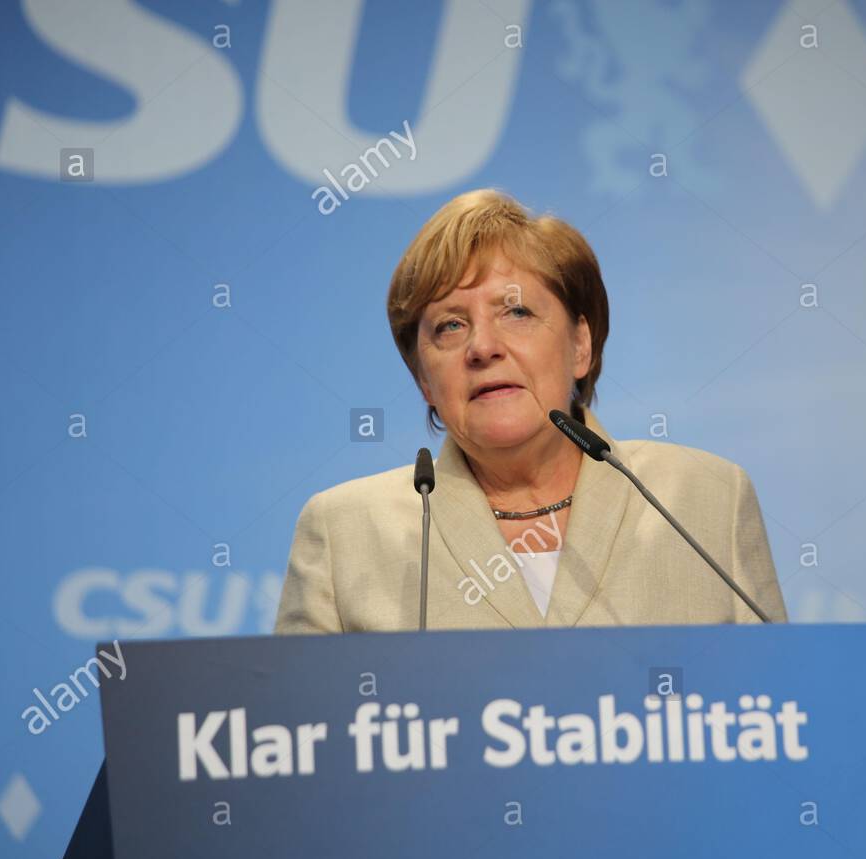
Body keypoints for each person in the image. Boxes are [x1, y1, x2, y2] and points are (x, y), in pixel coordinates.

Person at [274, 188, 786, 634]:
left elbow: (784, 714)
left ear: (580, 345)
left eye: (516, 311)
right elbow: (301, 735)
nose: (482, 347)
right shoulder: (345, 534)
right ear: (424, 379)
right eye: (450, 326)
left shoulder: (704, 502)